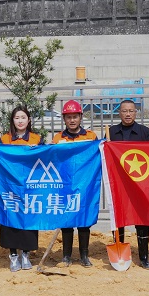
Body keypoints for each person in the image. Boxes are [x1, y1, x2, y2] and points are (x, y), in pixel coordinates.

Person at [108, 99, 149, 269]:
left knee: (141, 218)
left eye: (131, 111)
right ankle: (119, 251)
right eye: (124, 111)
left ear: (136, 112)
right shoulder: (111, 132)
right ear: (119, 113)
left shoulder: (145, 132)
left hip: (139, 184)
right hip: (118, 184)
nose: (128, 114)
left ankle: (144, 256)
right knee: (118, 217)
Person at [0, 106, 43, 272]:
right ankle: (13, 255)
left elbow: (44, 159)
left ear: (29, 120)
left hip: (30, 187)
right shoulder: (5, 139)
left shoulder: (36, 139)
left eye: (23, 117)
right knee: (11, 218)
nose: (20, 121)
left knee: (29, 219)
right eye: (17, 118)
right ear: (12, 120)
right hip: (10, 186)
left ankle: (25, 254)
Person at [53, 100, 98, 267]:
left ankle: (84, 255)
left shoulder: (91, 137)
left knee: (84, 220)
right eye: (68, 117)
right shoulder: (58, 138)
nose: (72, 120)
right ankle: (66, 256)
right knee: (67, 220)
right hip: (65, 185)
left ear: (80, 117)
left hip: (86, 184)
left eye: (75, 117)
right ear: (64, 119)